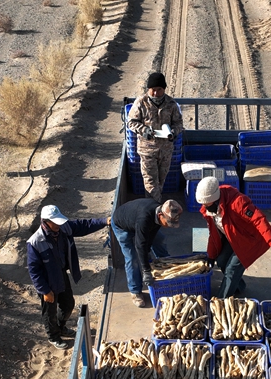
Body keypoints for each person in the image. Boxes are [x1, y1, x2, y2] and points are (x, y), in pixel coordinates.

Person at [27, 205, 109, 349]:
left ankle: (60, 327)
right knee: (49, 312)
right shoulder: (35, 242)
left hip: (60, 274)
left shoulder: (64, 228)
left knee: (68, 304)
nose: (59, 224)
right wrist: (45, 291)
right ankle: (53, 336)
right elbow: (34, 271)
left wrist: (103, 221)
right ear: (45, 222)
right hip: (47, 281)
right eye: (55, 222)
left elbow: (84, 225)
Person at [195, 177, 271, 298]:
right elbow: (213, 235)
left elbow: (258, 219)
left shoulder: (238, 202)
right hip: (233, 237)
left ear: (214, 199)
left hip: (249, 240)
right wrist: (211, 255)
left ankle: (220, 300)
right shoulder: (209, 210)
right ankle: (238, 286)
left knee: (232, 269)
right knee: (221, 261)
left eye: (206, 203)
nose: (204, 206)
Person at [111, 198, 182, 307]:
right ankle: (135, 291)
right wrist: (146, 270)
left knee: (159, 239)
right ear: (160, 215)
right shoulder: (144, 218)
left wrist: (147, 251)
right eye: (168, 223)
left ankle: (165, 263)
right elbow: (140, 245)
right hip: (121, 225)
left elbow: (152, 233)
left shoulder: (160, 210)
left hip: (136, 221)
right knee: (132, 258)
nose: (169, 226)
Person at [127, 72, 183, 203]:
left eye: (159, 90)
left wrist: (173, 132)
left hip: (166, 150)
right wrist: (144, 130)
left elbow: (179, 123)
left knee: (160, 180)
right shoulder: (141, 103)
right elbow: (131, 122)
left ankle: (155, 207)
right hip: (147, 150)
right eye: (153, 90)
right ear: (148, 89)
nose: (156, 94)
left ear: (164, 89)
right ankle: (155, 210)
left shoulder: (172, 104)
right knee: (151, 182)